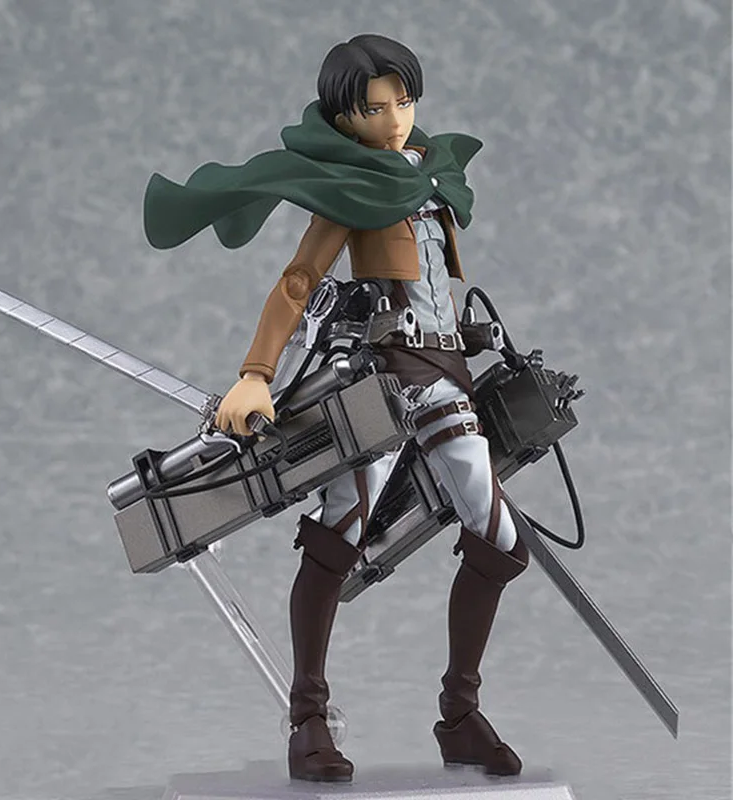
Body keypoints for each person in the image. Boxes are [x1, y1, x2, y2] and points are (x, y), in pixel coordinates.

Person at [143, 33, 529, 783]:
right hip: (379, 385)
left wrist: (471, 335)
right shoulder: (352, 188)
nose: (394, 119)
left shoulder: (430, 180)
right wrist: (255, 374)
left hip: (444, 372)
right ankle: (308, 717)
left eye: (404, 102)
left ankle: (460, 716)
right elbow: (298, 282)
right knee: (339, 530)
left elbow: (433, 291)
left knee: (499, 537)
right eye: (376, 109)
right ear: (345, 116)